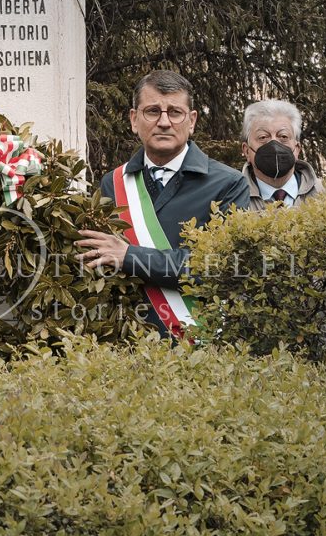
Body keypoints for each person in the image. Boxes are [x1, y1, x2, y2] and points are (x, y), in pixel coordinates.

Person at [77, 69, 251, 336]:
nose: (164, 122)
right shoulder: (113, 183)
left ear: (191, 121)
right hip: (126, 341)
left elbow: (221, 266)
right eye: (153, 111)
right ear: (134, 120)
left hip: (198, 343)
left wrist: (130, 257)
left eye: (175, 112)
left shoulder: (229, 184)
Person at [240, 99, 326, 209]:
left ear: (297, 149)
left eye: (283, 136)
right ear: (246, 151)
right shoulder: (233, 200)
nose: (274, 144)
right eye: (263, 137)